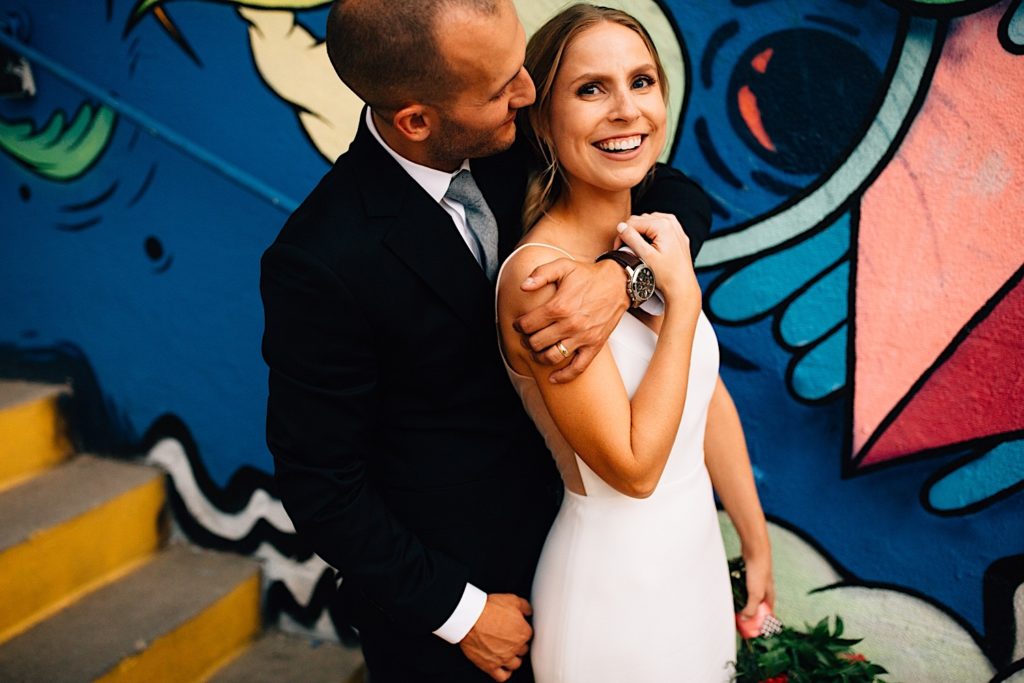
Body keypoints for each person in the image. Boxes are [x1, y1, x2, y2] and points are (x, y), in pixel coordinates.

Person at [260, 1, 713, 681]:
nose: (528, 94)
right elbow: (323, 486)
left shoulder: (509, 138)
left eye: (522, 68)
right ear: (417, 119)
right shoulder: (321, 259)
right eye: (504, 86)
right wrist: (460, 611)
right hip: (466, 616)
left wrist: (621, 277)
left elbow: (676, 190)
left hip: (591, 556)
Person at [495, 5, 774, 681]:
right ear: (541, 117)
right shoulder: (541, 280)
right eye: (591, 89)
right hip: (612, 597)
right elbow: (634, 467)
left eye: (641, 82)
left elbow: (701, 397)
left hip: (695, 568)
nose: (626, 110)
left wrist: (753, 536)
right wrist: (683, 304)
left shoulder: (645, 242)